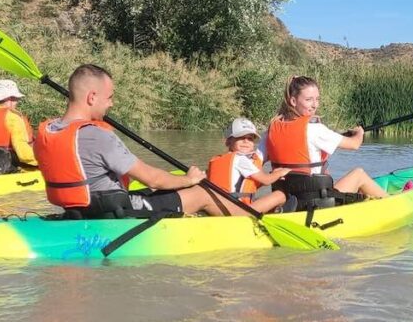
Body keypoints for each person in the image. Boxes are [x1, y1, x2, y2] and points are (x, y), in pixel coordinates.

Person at [33, 64, 286, 219]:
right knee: (203, 192)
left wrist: (175, 185)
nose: (111, 103)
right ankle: (249, 216)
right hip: (110, 211)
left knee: (165, 191)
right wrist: (189, 180)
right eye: (109, 97)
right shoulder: (97, 135)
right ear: (91, 97)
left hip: (78, 207)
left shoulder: (48, 130)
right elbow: (151, 178)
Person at [261, 75, 388, 211]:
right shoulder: (315, 129)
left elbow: (256, 162)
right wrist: (359, 133)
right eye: (309, 100)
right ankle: (392, 203)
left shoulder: (271, 131)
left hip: (288, 202)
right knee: (359, 174)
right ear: (293, 101)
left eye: (317, 99)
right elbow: (354, 144)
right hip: (317, 203)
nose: (315, 105)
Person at [207, 118, 293, 206]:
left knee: (258, 198)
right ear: (228, 142)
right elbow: (266, 180)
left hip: (221, 204)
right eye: (240, 137)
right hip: (235, 208)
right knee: (280, 196)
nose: (246, 141)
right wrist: (281, 172)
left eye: (250, 138)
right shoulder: (240, 159)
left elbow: (253, 183)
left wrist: (273, 175)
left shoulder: (224, 159)